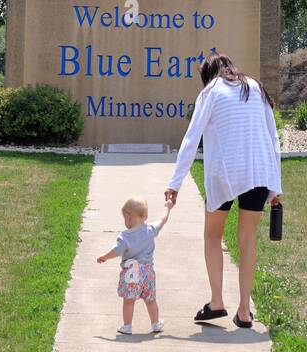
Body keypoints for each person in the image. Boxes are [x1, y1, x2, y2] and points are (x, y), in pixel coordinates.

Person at [164, 53, 281, 328]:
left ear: (208, 75)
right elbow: (272, 136)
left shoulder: (210, 91)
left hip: (226, 172)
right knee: (247, 239)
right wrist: (277, 185)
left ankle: (217, 302)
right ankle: (243, 311)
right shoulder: (255, 86)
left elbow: (192, 138)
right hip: (260, 171)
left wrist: (175, 183)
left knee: (212, 234)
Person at [97, 193, 174, 335]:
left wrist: (105, 257)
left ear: (128, 216)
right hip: (148, 273)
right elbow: (163, 219)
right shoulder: (150, 230)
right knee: (150, 300)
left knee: (129, 300)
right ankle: (156, 323)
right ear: (144, 216)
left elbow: (117, 251)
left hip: (132, 273)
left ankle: (127, 326)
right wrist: (167, 207)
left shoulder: (124, 237)